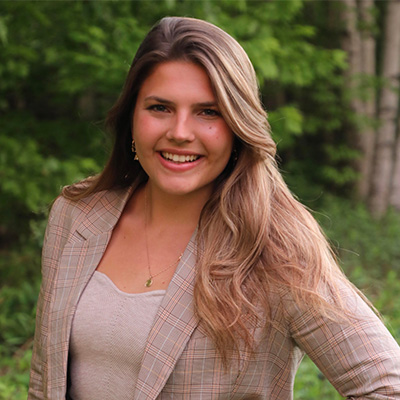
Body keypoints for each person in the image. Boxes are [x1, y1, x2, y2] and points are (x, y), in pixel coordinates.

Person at [28, 16, 400, 400]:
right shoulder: (76, 215)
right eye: (160, 107)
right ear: (131, 118)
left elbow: (388, 386)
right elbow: (44, 382)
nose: (180, 132)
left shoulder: (274, 246)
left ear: (239, 126)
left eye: (208, 112)